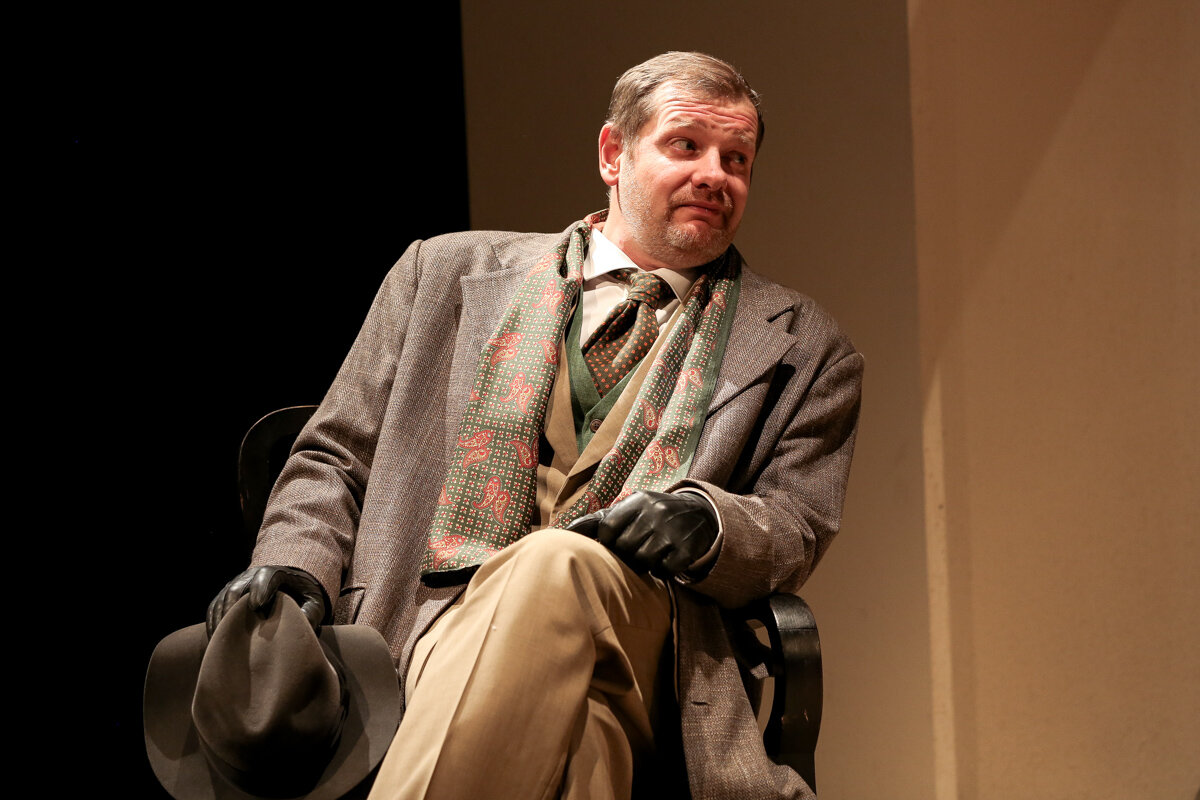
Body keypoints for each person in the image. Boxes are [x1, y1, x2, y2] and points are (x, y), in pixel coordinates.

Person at [207, 52, 863, 800]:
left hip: (655, 651)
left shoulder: (808, 348)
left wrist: (711, 523)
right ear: (613, 154)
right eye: (686, 145)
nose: (716, 175)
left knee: (557, 562)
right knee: (585, 745)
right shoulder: (442, 273)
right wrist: (295, 564)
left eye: (736, 159)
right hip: (426, 623)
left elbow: (796, 525)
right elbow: (334, 454)